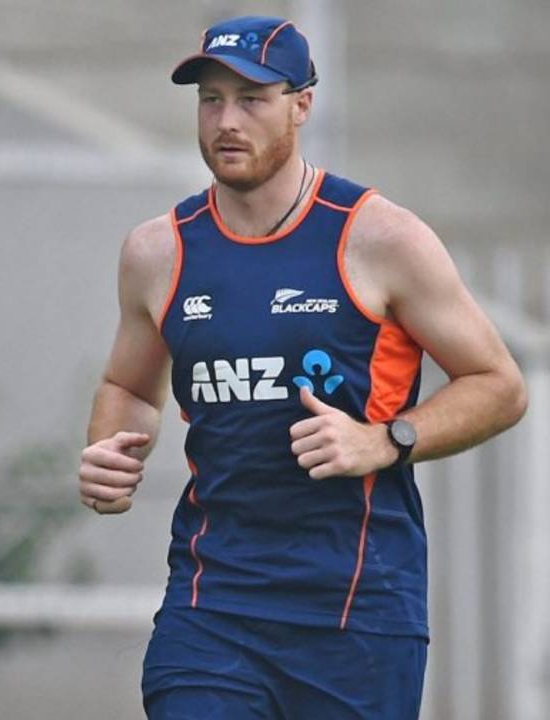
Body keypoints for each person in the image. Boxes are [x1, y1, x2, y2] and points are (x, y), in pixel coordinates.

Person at [77, 16, 526, 719]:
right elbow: (129, 388)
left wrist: (385, 440)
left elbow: (499, 386)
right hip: (212, 606)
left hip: (358, 610)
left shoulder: (379, 237)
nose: (227, 120)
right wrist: (108, 452)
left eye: (252, 99)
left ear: (301, 105)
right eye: (211, 99)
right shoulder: (157, 252)